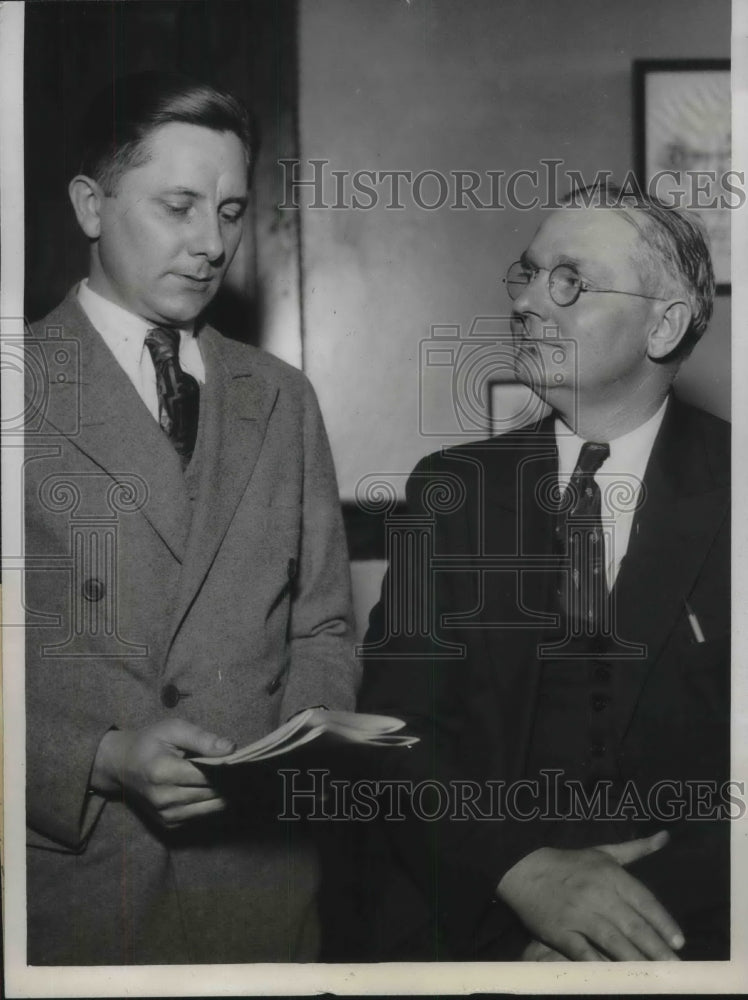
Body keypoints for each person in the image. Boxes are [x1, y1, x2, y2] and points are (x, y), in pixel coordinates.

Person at [25, 71, 359, 965]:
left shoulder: (283, 399)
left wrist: (282, 764)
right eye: (178, 206)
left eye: (231, 211)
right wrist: (96, 758)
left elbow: (324, 623)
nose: (211, 244)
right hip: (74, 896)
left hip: (260, 898)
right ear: (91, 206)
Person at [359, 185, 729, 962]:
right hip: (473, 933)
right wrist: (521, 879)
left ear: (663, 324)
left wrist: (614, 928)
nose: (528, 301)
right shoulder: (451, 489)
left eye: (569, 280)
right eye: (527, 273)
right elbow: (393, 733)